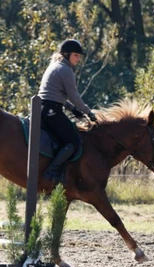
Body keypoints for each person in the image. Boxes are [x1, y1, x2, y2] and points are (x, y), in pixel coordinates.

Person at [37, 39, 97, 182]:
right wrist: (88, 112)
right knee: (75, 141)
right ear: (66, 54)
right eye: (76, 55)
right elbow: (74, 95)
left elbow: (58, 95)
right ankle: (52, 172)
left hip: (45, 107)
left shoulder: (55, 66)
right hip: (51, 110)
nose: (78, 58)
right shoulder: (65, 70)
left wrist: (72, 109)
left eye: (79, 56)